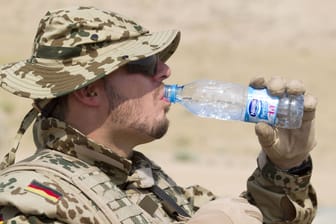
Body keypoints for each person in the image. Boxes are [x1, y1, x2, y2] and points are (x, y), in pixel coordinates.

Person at [0, 6, 317, 224]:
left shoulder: (145, 183)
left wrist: (285, 169)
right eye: (145, 64)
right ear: (89, 91)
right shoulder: (29, 201)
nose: (165, 71)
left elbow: (248, 216)